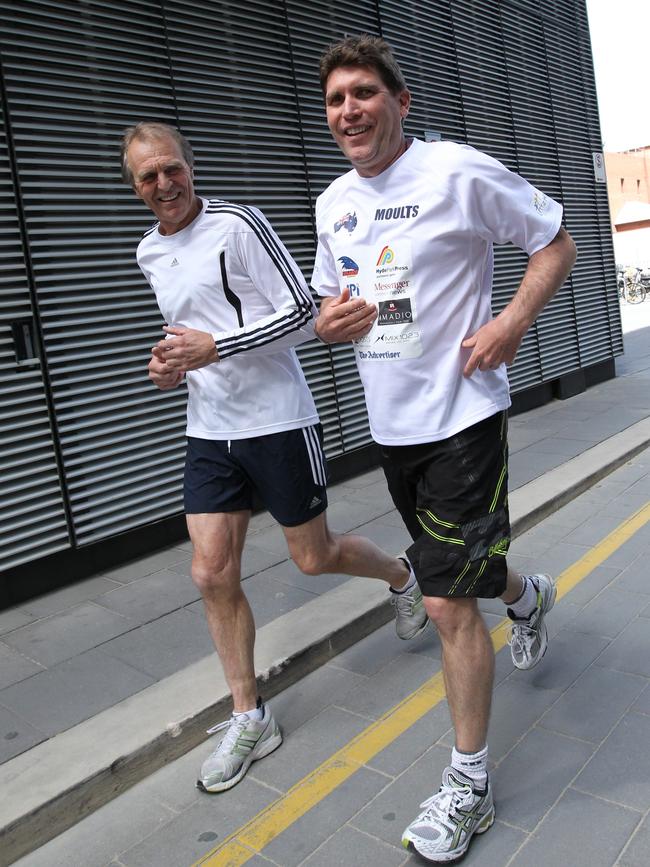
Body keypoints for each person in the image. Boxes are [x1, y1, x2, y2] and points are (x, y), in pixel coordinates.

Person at [312, 35, 577, 863]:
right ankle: (527, 594)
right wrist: (330, 322)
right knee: (449, 572)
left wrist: (511, 322)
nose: (349, 111)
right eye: (335, 100)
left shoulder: (455, 170)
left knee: (443, 602)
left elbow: (555, 239)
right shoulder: (332, 204)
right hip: (393, 430)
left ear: (401, 101)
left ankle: (469, 782)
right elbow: (330, 302)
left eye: (363, 93)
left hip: (463, 416)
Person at [120, 121, 427, 794]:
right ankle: (249, 714)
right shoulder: (147, 250)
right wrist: (168, 362)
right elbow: (185, 332)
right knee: (209, 572)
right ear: (134, 186)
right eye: (148, 177)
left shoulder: (238, 224)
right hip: (209, 429)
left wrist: (215, 348)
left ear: (190, 164)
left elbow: (299, 313)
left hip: (279, 420)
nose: (164, 184)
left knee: (313, 557)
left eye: (172, 168)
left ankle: (402, 577)